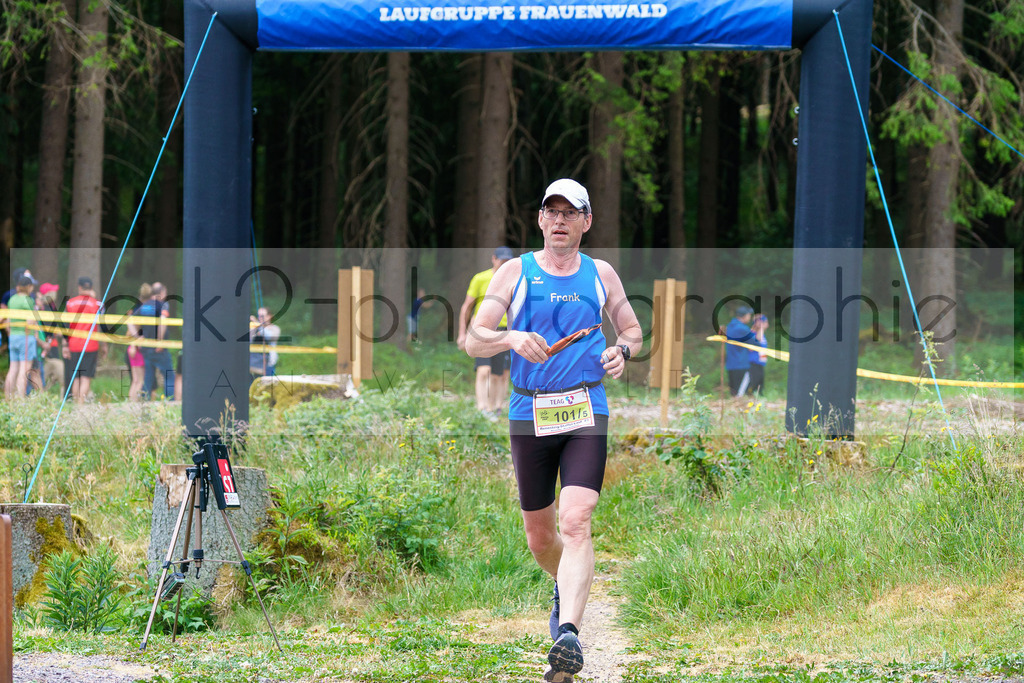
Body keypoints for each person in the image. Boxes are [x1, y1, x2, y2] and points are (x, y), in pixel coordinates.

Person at [465, 178, 641, 683]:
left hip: (587, 406)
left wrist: (621, 351)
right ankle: (567, 582)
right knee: (540, 538)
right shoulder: (515, 273)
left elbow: (632, 329)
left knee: (576, 519)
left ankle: (567, 634)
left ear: (586, 221)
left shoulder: (600, 273)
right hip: (530, 411)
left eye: (571, 212)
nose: (560, 220)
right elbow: (475, 340)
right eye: (552, 211)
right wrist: (510, 337)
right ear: (540, 220)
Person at [458, 246, 515, 416]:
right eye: (501, 260)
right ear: (493, 259)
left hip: (506, 329)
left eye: (507, 261)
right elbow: (467, 307)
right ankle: (482, 407)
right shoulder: (480, 278)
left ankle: (495, 407)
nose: (503, 263)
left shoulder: (514, 278)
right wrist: (462, 333)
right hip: (483, 329)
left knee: (501, 373)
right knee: (484, 370)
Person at [63, 276, 104, 404]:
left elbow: (65, 325)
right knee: (86, 377)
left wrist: (65, 345)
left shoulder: (70, 303)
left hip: (74, 344)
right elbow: (103, 322)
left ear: (79, 287)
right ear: (91, 288)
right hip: (90, 345)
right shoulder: (97, 304)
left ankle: (76, 404)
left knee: (76, 377)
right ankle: (81, 405)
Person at [137, 282, 174, 400]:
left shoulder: (144, 306)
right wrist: (160, 341)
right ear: (162, 292)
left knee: (148, 377)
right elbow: (162, 322)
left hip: (146, 348)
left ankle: (144, 404)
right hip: (159, 349)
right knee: (168, 375)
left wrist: (139, 336)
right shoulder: (162, 305)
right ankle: (170, 402)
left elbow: (130, 321)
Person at [5, 275, 37, 400]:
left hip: (13, 336)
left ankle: (7, 398)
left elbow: (7, 321)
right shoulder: (28, 300)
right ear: (28, 287)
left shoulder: (12, 300)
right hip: (25, 337)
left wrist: (10, 333)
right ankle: (20, 400)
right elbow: (31, 321)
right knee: (24, 370)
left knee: (13, 369)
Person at [37, 283, 65, 392]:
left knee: (51, 373)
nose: (56, 293)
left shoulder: (50, 306)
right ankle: (42, 392)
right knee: (49, 371)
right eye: (53, 291)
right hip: (47, 345)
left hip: (51, 344)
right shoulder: (44, 309)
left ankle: (46, 392)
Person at [125, 283, 151, 401]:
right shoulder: (145, 310)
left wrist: (133, 343)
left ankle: (130, 404)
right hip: (138, 347)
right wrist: (137, 340)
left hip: (131, 346)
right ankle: (135, 404)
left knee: (135, 380)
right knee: (140, 380)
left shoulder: (136, 308)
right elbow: (137, 326)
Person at [725, 304, 755, 397]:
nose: (750, 317)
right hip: (741, 364)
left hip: (731, 364)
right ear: (744, 316)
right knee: (740, 393)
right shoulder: (743, 328)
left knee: (733, 392)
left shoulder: (729, 326)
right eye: (749, 315)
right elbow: (755, 341)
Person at [249, 307, 281, 378]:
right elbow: (249, 341)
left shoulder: (275, 329)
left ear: (269, 316)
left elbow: (269, 337)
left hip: (268, 366)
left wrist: (258, 325)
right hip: (253, 367)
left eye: (262, 316)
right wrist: (253, 328)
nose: (260, 318)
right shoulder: (255, 328)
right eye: (259, 316)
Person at [748, 314, 768, 395]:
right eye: (765, 322)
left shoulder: (762, 334)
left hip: (761, 363)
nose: (767, 324)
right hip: (754, 363)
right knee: (754, 383)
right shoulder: (753, 333)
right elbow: (755, 342)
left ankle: (759, 398)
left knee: (760, 384)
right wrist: (759, 327)